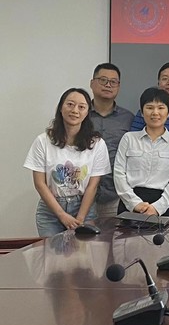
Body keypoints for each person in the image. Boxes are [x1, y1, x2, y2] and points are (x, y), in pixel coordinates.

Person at [24, 88, 111, 236]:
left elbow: (93, 185)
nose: (75, 110)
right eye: (70, 104)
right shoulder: (43, 141)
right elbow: (40, 184)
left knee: (83, 251)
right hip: (51, 210)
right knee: (52, 251)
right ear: (61, 107)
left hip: (84, 208)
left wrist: (80, 218)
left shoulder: (97, 143)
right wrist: (62, 215)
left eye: (81, 107)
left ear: (87, 112)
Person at [114, 88, 169, 217]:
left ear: (168, 113)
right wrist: (135, 204)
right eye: (150, 107)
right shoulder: (129, 138)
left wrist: (157, 208)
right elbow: (119, 173)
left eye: (161, 108)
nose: (155, 112)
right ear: (142, 112)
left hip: (165, 206)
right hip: (130, 204)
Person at [89, 63, 134, 217]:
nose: (108, 85)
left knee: (114, 233)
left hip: (116, 195)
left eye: (113, 82)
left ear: (118, 86)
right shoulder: (80, 114)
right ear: (92, 83)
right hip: (82, 194)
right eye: (103, 80)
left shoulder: (128, 118)